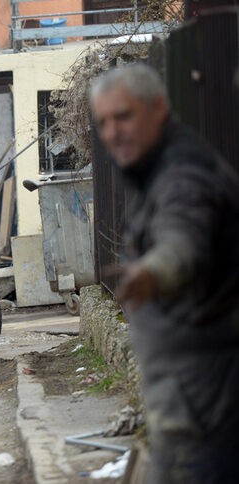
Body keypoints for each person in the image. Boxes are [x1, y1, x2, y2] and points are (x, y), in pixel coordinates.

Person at [90, 63, 239, 483]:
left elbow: (183, 242)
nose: (113, 132)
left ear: (159, 108)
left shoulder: (182, 175)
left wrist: (153, 274)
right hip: (187, 401)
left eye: (123, 116)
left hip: (208, 406)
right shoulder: (152, 172)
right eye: (103, 122)